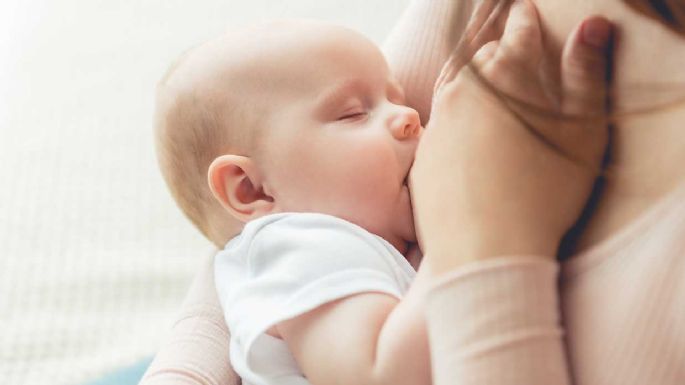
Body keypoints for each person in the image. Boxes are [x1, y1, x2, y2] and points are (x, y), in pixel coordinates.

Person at [141, 1, 685, 385]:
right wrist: (467, 234)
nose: (408, 117)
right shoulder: (299, 250)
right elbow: (386, 374)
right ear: (251, 189)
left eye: (396, 97)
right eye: (355, 112)